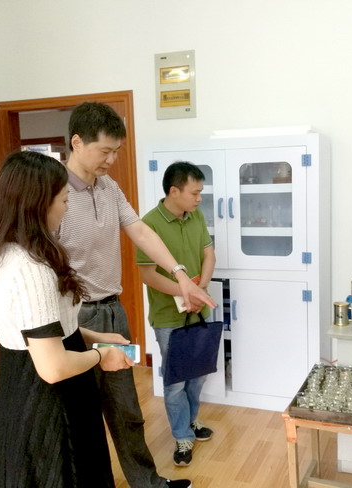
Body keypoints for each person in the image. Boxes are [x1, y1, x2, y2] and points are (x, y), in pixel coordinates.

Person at [59, 102, 215, 488]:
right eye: (105, 151)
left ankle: (148, 483)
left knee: (126, 408)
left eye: (117, 151)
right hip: (74, 317)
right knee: (79, 413)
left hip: (114, 312)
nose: (112, 160)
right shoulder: (53, 191)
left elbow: (142, 232)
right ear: (77, 143)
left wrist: (180, 274)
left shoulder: (109, 188)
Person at [0, 151, 134, 487]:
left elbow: (35, 329)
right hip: (50, 400)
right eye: (64, 200)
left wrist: (92, 337)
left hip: (21, 391)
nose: (67, 209)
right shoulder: (31, 268)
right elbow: (53, 367)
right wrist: (102, 355)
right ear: (38, 204)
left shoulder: (0, 252)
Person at [136, 161, 216, 467]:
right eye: (194, 193)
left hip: (199, 309)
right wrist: (186, 292)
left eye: (200, 192)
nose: (199, 198)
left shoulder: (196, 216)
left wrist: (200, 288)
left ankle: (191, 420)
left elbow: (209, 254)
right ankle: (182, 435)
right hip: (169, 318)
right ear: (174, 191)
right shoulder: (149, 225)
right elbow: (148, 276)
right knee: (176, 381)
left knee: (198, 374)